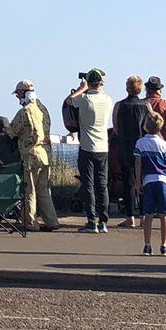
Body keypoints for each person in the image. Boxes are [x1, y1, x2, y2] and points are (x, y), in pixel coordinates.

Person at [8, 79, 60, 232]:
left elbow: (12, 131)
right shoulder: (43, 109)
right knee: (43, 190)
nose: (18, 98)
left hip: (31, 156)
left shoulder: (24, 111)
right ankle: (52, 221)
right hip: (45, 154)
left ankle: (30, 222)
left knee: (29, 190)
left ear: (23, 93)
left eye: (18, 94)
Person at [65, 69, 113, 233]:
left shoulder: (84, 99)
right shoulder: (108, 100)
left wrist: (82, 88)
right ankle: (103, 221)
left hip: (87, 146)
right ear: (101, 83)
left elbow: (69, 101)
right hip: (103, 147)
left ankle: (91, 221)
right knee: (102, 185)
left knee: (88, 185)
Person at [134, 111, 166, 257]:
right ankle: (164, 245)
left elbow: (138, 163)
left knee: (148, 214)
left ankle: (147, 245)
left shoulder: (140, 143)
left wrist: (137, 181)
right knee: (164, 215)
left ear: (145, 126)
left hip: (148, 180)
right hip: (163, 179)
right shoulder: (164, 144)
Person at [113, 76, 149, 228]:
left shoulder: (119, 105)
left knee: (128, 183)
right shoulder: (145, 105)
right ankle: (143, 215)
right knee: (142, 181)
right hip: (142, 147)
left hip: (125, 146)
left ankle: (130, 217)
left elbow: (115, 128)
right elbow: (150, 124)